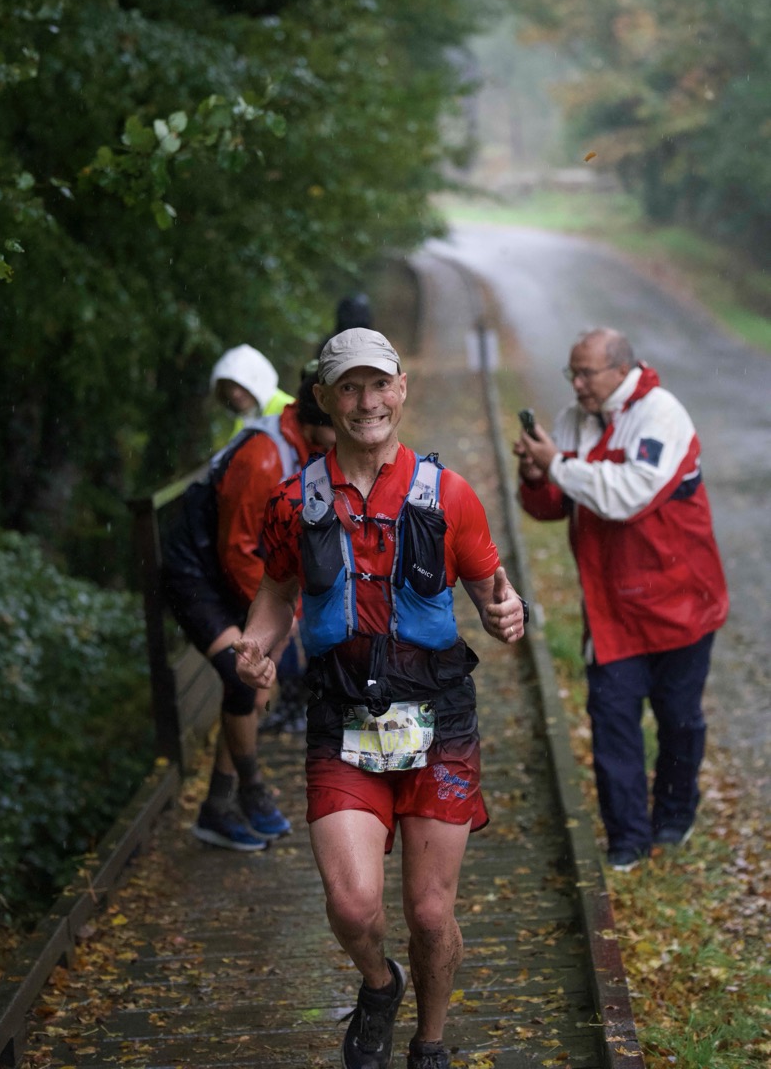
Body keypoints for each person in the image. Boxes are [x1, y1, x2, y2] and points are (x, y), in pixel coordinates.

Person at [234, 327, 526, 1069]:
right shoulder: (292, 502)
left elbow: (492, 590)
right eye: (349, 388)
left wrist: (507, 614)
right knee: (352, 904)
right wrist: (256, 648)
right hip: (340, 716)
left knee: (429, 913)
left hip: (439, 718)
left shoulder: (449, 496)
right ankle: (378, 983)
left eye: (378, 385)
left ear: (400, 390)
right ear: (325, 398)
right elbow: (275, 595)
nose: (367, 403)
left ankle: (429, 1042)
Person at [513, 327, 729, 872]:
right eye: (572, 373)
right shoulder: (574, 419)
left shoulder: (661, 416)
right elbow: (557, 503)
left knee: (678, 718)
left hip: (681, 602)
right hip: (611, 607)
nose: (577, 384)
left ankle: (675, 814)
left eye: (586, 373)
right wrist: (537, 475)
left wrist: (557, 465)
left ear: (621, 370)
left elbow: (629, 495)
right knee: (611, 719)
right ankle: (627, 838)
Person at [162, 371, 336, 852]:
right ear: (317, 421)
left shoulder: (307, 448)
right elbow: (238, 549)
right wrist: (281, 618)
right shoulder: (264, 458)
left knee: (255, 689)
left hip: (228, 572)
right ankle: (252, 791)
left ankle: (217, 809)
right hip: (194, 574)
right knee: (243, 678)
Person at [209, 343, 293, 448]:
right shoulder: (241, 423)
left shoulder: (289, 409)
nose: (235, 394)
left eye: (241, 385)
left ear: (255, 381)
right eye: (230, 387)